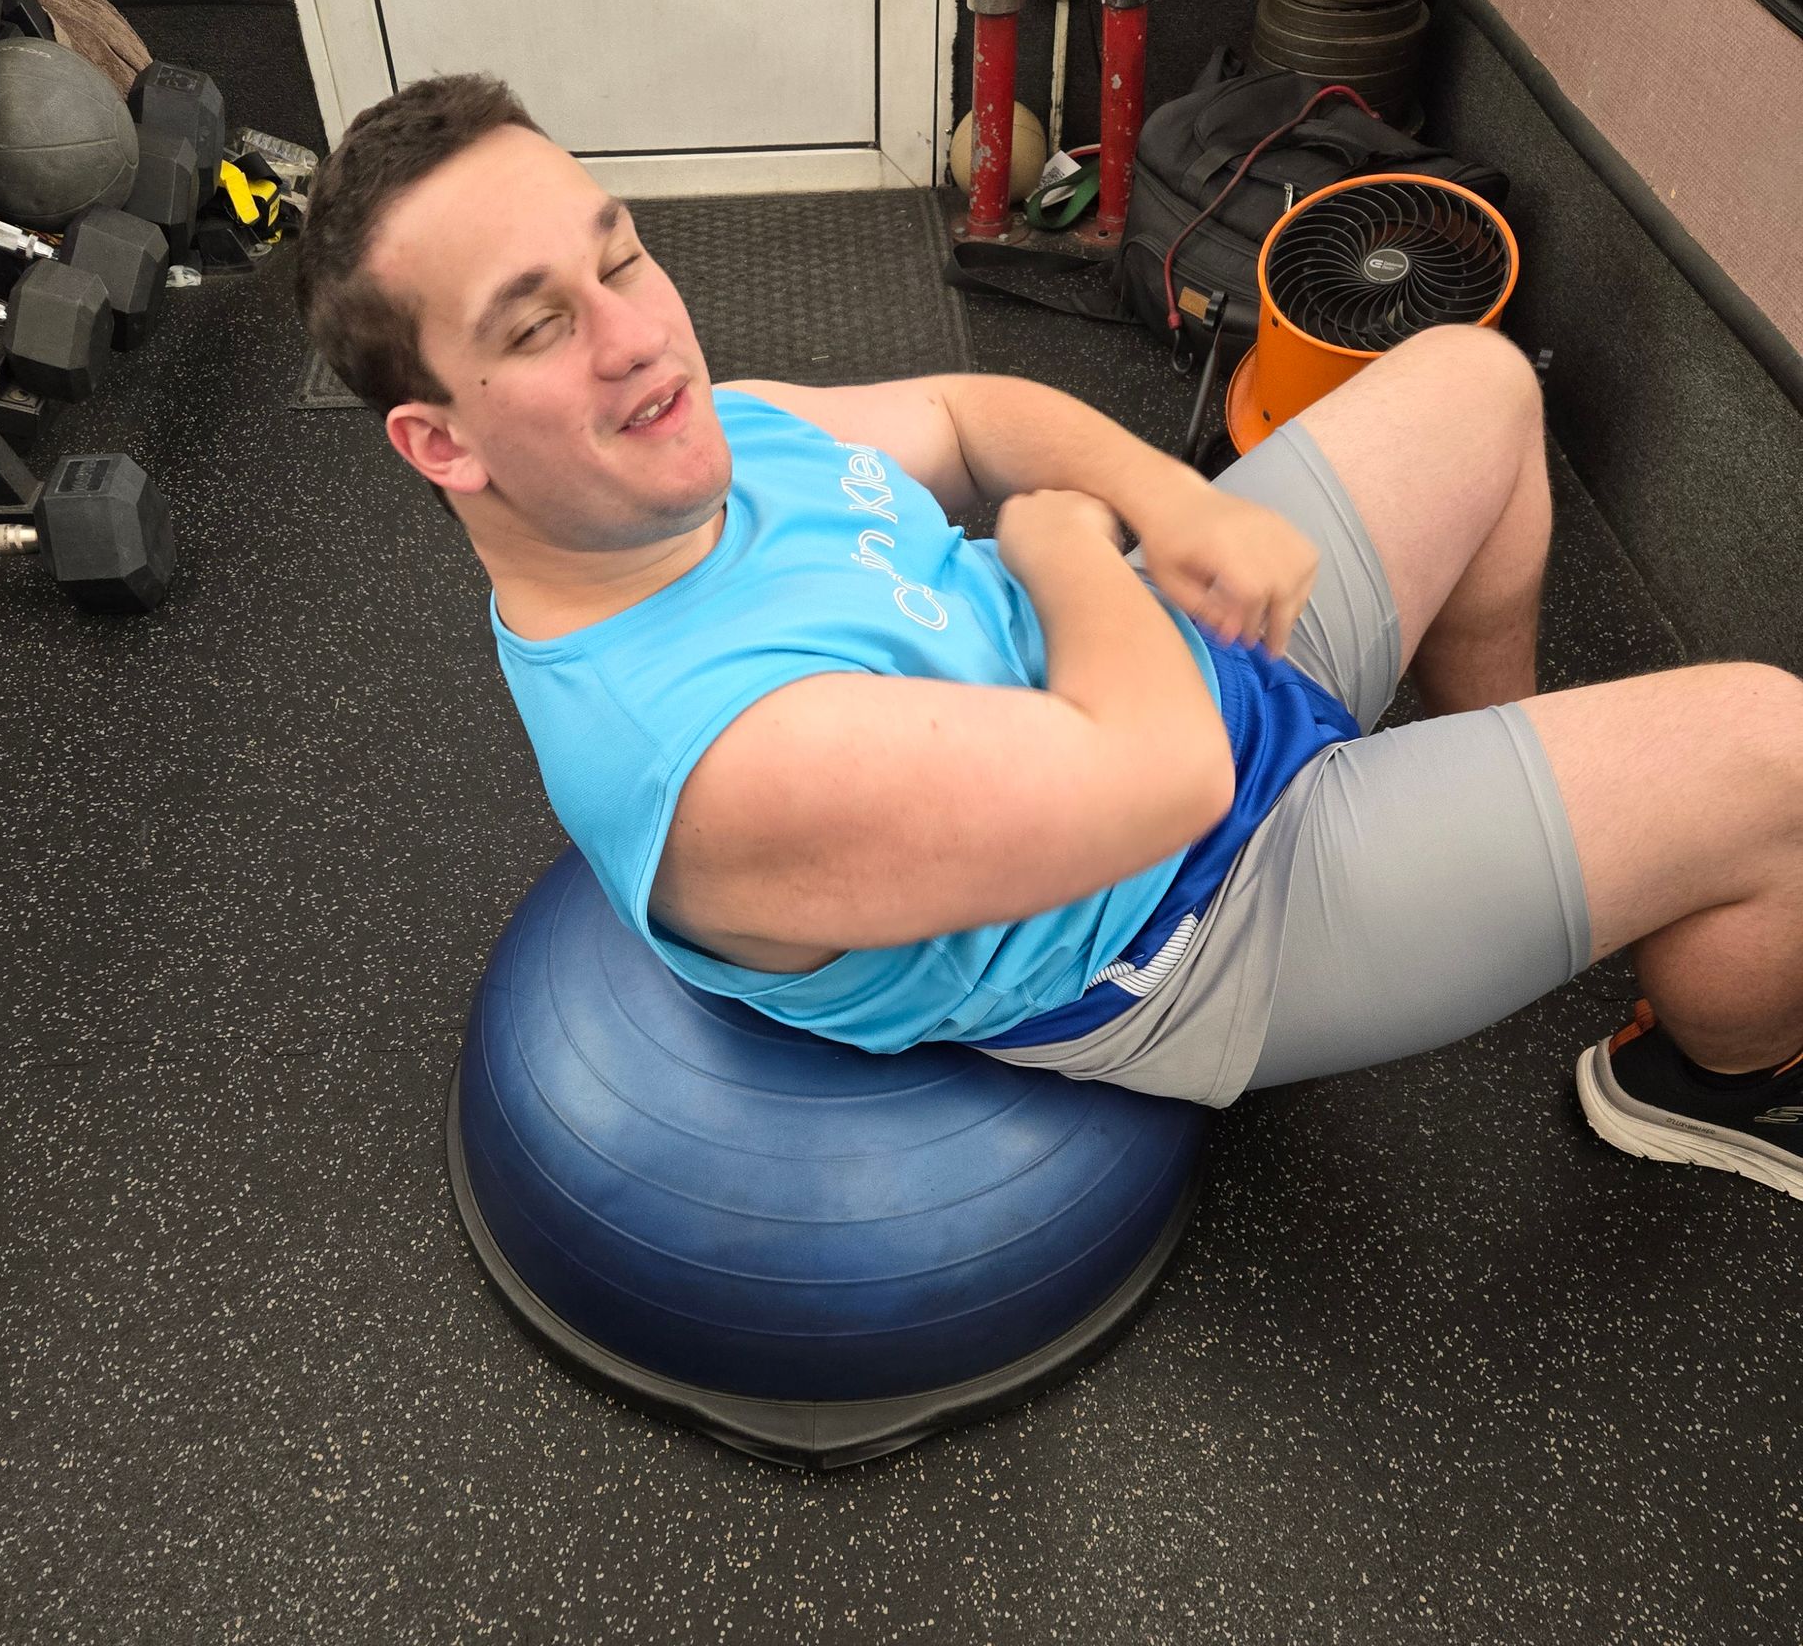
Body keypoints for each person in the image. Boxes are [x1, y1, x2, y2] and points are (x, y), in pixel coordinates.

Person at [294, 73, 1803, 1200]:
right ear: (440, 444)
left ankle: (1499, 783)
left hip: (1152, 655)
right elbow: (1165, 781)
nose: (639, 337)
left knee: (1477, 381)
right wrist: (1069, 538)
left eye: (617, 257)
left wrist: (1163, 499)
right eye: (536, 324)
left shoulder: (700, 444)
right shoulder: (712, 757)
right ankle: (1704, 1085)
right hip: (1200, 907)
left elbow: (968, 414)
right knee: (1777, 757)